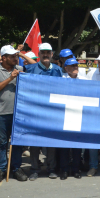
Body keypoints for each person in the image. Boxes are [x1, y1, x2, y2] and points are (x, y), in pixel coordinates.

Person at [25, 43, 63, 181]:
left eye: (48, 52)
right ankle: (34, 169)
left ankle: (51, 169)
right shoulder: (29, 69)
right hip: (35, 112)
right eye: (43, 52)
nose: (46, 55)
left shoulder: (58, 70)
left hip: (52, 112)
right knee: (35, 143)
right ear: (39, 54)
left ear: (52, 54)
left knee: (51, 143)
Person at [0, 45, 28, 183]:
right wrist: (10, 78)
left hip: (18, 113)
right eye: (12, 56)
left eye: (16, 56)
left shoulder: (19, 69)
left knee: (17, 143)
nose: (15, 58)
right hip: (1, 113)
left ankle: (16, 168)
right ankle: (1, 169)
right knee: (1, 143)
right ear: (4, 58)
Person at [60, 58, 88, 180]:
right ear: (66, 68)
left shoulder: (84, 80)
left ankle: (76, 169)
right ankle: (65, 170)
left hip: (78, 115)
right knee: (64, 145)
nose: (75, 67)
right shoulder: (60, 80)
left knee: (77, 145)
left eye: (76, 65)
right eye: (72, 66)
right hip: (65, 115)